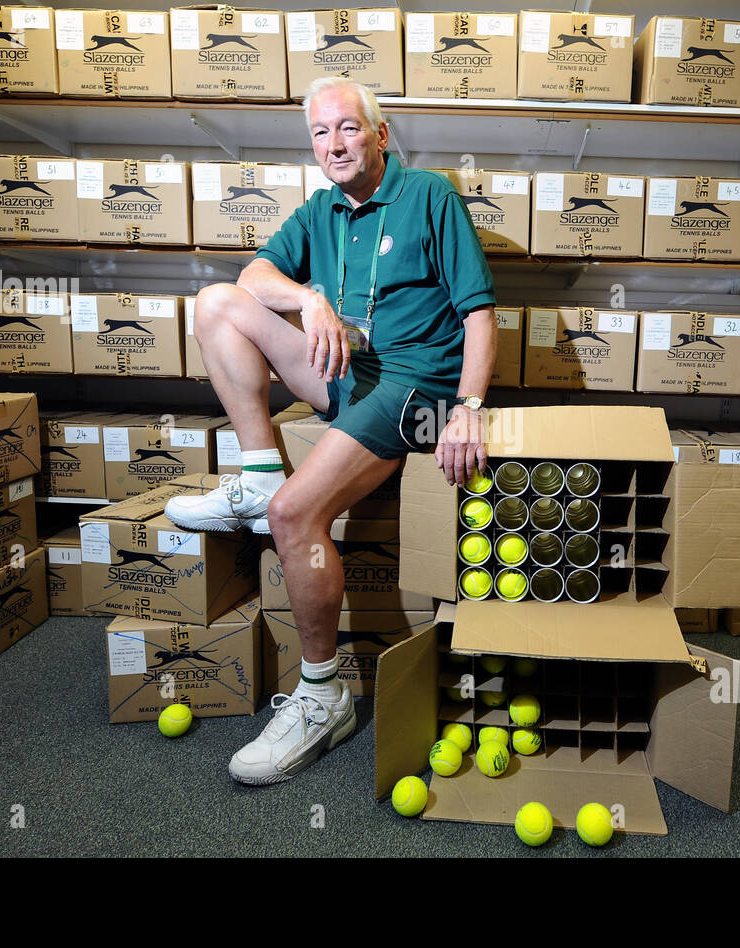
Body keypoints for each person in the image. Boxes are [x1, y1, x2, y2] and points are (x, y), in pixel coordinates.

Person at [165, 76, 498, 786]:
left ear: (380, 135)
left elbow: (478, 314)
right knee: (217, 301)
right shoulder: (319, 211)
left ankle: (323, 697)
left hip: (415, 385)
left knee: (296, 513)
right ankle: (258, 473)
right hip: (348, 371)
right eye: (321, 133)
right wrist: (308, 298)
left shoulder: (430, 195)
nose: (335, 144)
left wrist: (468, 405)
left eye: (348, 128)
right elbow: (255, 277)